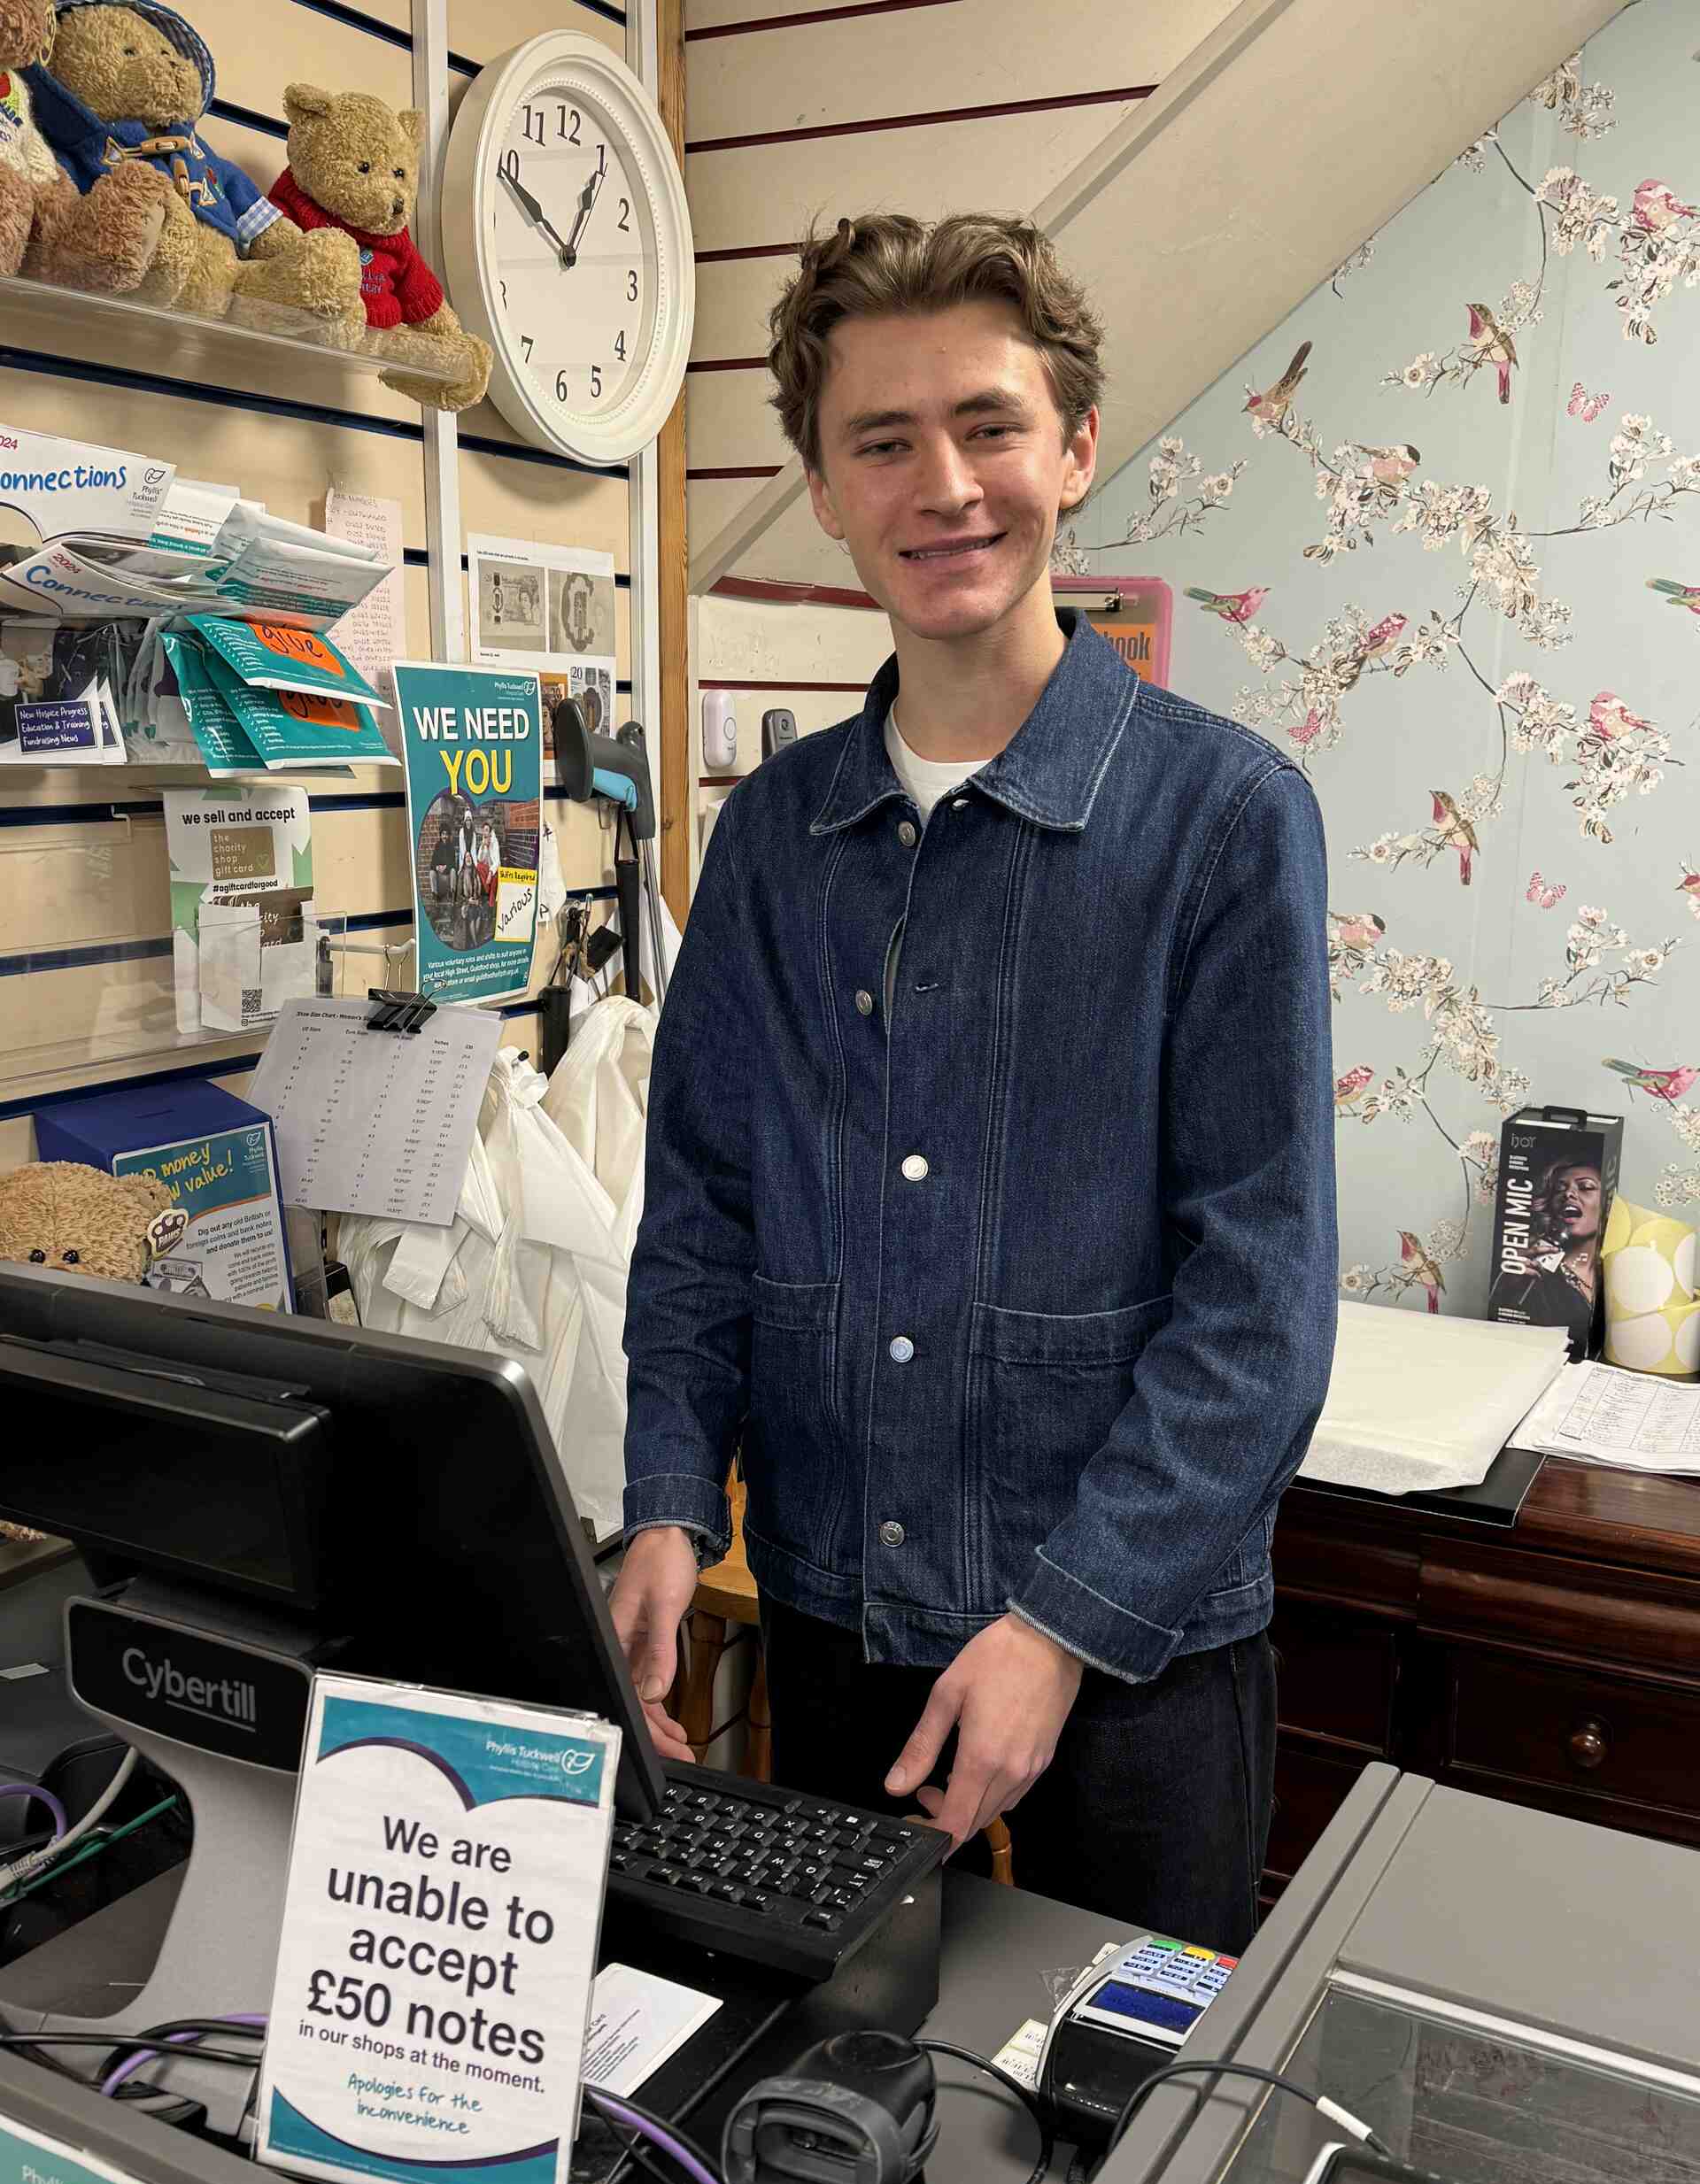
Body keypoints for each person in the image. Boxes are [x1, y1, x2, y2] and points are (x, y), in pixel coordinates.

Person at [612, 212, 1336, 1951]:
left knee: (1127, 2141)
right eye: (883, 441)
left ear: (1073, 446)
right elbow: (703, 1211)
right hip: (841, 1627)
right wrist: (656, 1498)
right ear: (828, 486)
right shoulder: (773, 845)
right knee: (852, 2129)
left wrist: (1064, 1621)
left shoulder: (1225, 823)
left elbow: (1261, 1295)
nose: (944, 483)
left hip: (1139, 1652)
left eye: (989, 426)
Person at [1489, 1154, 1604, 1344]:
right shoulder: (1532, 1276)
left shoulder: (1613, 1269)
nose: (1568, 1194)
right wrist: (1505, 1288)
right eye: (1559, 1189)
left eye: (1585, 1187)